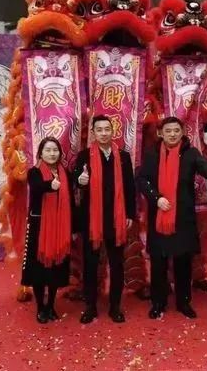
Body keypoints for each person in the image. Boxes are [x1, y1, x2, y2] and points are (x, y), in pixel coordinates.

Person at [136, 117, 207, 319]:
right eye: (168, 131)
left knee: (183, 262)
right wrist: (156, 198)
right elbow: (142, 179)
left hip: (182, 217)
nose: (173, 134)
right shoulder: (152, 154)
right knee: (158, 263)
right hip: (159, 215)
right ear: (161, 133)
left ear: (182, 132)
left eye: (176, 130)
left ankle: (184, 303)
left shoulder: (190, 153)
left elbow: (203, 165)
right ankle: (158, 303)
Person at [73, 115, 137, 324]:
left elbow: (130, 187)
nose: (103, 133)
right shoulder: (84, 156)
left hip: (116, 218)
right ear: (93, 133)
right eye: (99, 130)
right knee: (90, 264)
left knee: (116, 263)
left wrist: (130, 214)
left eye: (107, 129)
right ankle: (90, 306)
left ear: (113, 131)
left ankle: (115, 306)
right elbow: (75, 182)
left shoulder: (123, 157)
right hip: (91, 219)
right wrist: (80, 181)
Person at [22, 137, 75, 324]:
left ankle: (51, 305)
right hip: (39, 227)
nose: (52, 154)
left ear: (60, 153)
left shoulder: (65, 173)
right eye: (48, 150)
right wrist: (49, 186)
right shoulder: (34, 172)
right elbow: (36, 188)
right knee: (39, 269)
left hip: (61, 227)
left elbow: (71, 200)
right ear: (41, 153)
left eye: (55, 150)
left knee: (55, 269)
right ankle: (40, 307)